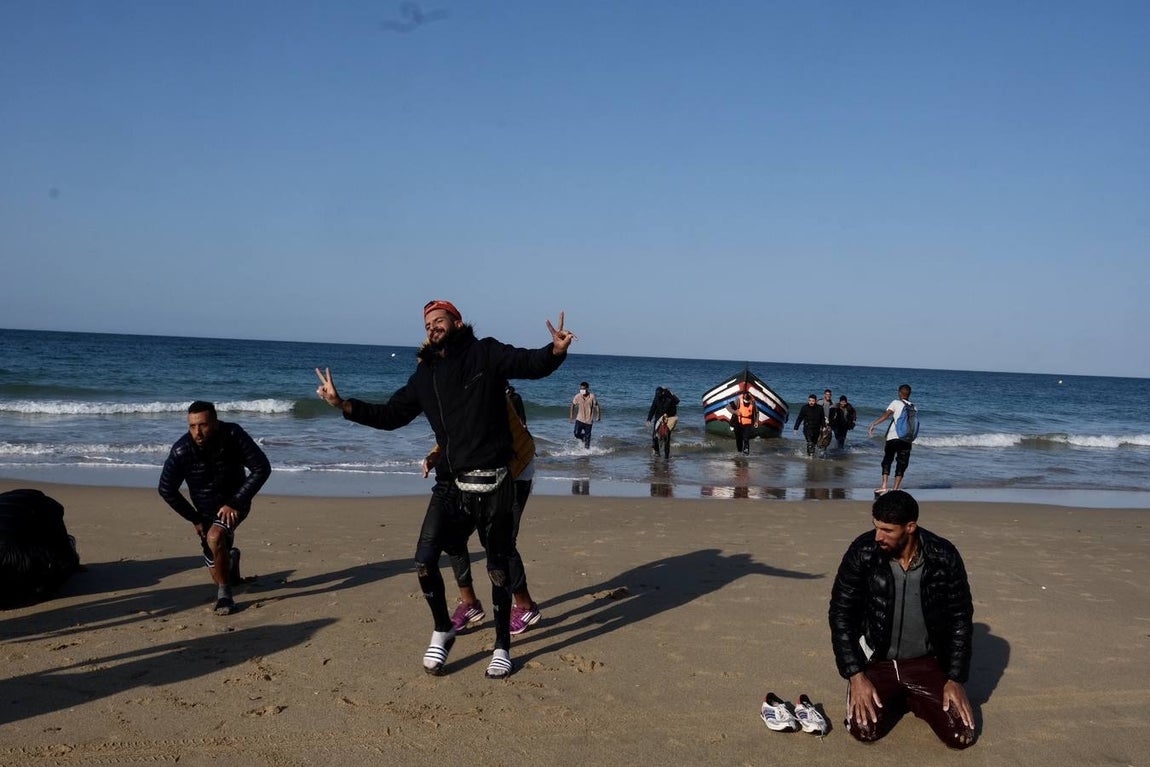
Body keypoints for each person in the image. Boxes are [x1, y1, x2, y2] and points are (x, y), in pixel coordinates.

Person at [315, 300, 573, 679]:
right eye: (428, 323)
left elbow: (528, 364)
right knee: (424, 558)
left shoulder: (485, 352)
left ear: (456, 322)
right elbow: (391, 415)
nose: (433, 326)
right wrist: (343, 404)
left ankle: (502, 645)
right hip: (451, 483)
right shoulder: (425, 375)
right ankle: (443, 628)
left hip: (495, 480)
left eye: (440, 320)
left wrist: (555, 351)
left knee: (498, 566)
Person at [828, 490, 976, 749]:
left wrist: (955, 679)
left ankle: (910, 697)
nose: (878, 536)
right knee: (864, 730)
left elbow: (960, 619)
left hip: (926, 662)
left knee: (961, 736)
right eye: (876, 527)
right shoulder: (863, 551)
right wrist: (855, 675)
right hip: (877, 660)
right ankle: (895, 694)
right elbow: (840, 614)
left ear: (910, 527)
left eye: (887, 530)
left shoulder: (943, 555)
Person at [424, 392, 542, 636]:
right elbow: (456, 429)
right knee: (453, 536)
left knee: (500, 542)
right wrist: (436, 454)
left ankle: (525, 606)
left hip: (514, 471)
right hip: (478, 473)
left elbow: (485, 430)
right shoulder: (451, 382)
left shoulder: (492, 390)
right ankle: (469, 603)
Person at [158, 401, 271, 616]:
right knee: (217, 567)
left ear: (216, 422)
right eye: (192, 426)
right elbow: (166, 489)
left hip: (236, 503)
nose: (197, 432)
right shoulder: (181, 450)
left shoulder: (233, 435)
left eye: (203, 425)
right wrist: (194, 518)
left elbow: (261, 468)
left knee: (215, 537)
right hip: (204, 512)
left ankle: (225, 597)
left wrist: (236, 502)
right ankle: (231, 562)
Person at [868, 384, 915, 495]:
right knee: (902, 463)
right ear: (909, 394)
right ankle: (895, 489)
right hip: (907, 440)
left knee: (887, 460)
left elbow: (886, 415)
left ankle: (884, 486)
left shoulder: (896, 403)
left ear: (899, 393)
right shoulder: (914, 407)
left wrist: (873, 424)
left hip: (893, 438)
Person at [645, 386, 680, 456]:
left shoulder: (669, 397)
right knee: (655, 436)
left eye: (659, 394)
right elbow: (653, 408)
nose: (658, 396)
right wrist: (649, 419)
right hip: (658, 419)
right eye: (657, 394)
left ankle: (666, 456)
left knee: (666, 438)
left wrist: (671, 393)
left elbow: (677, 401)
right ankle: (657, 452)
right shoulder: (656, 397)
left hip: (668, 420)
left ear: (663, 392)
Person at [569, 381, 601, 449]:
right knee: (576, 434)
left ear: (587, 388)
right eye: (581, 389)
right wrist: (571, 416)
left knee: (587, 441)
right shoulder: (577, 396)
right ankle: (583, 437)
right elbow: (572, 405)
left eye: (583, 389)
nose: (582, 390)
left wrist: (598, 416)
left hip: (588, 421)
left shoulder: (592, 396)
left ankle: (587, 454)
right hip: (579, 419)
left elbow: (597, 406)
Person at [728, 390, 758, 455]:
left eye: (748, 401)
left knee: (746, 438)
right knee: (738, 439)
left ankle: (746, 454)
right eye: (745, 401)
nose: (747, 403)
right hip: (738, 423)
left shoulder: (753, 402)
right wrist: (736, 412)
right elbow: (728, 407)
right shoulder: (738, 400)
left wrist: (756, 421)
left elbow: (756, 412)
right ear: (743, 398)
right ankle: (739, 453)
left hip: (748, 423)